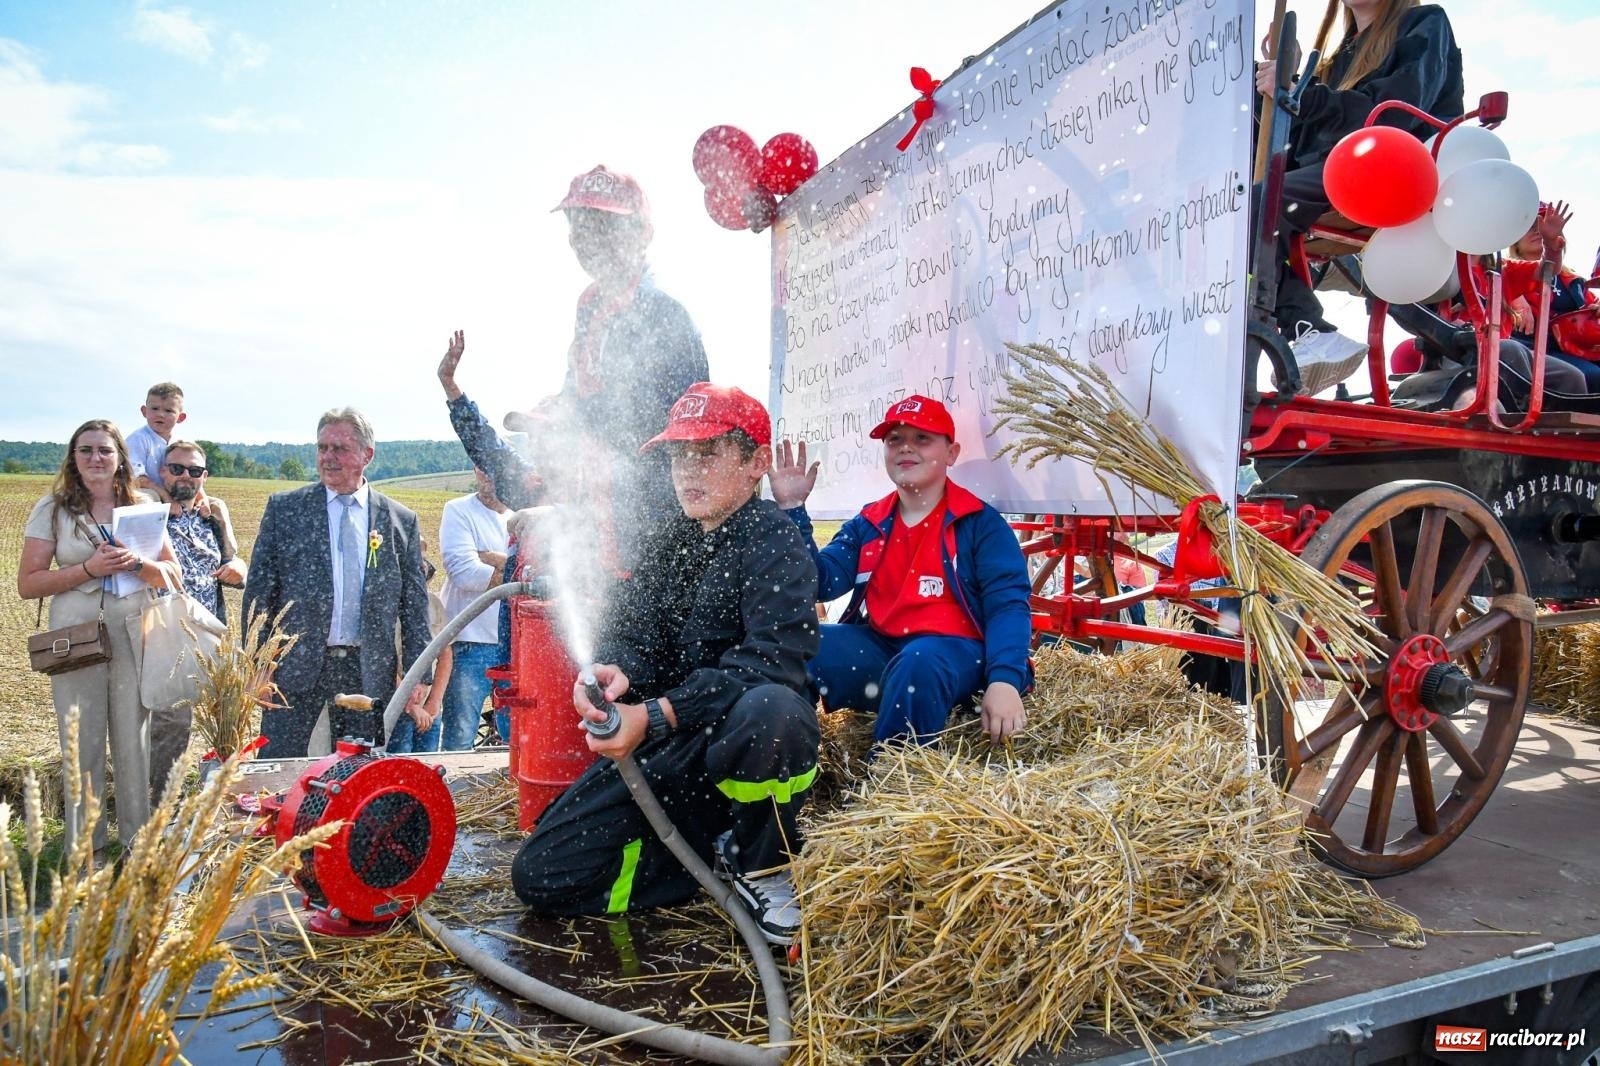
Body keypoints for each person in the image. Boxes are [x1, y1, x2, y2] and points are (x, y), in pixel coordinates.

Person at [511, 383, 820, 947]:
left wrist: (654, 714)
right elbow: (634, 629)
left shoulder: (775, 540)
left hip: (723, 739)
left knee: (776, 710)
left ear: (756, 463)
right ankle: (702, 861)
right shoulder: (670, 541)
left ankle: (766, 869)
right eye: (679, 455)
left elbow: (770, 665)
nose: (687, 471)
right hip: (666, 748)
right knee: (541, 876)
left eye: (708, 452)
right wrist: (616, 672)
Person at [438, 164, 709, 562]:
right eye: (577, 225)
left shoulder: (663, 316)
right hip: (606, 537)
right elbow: (571, 407)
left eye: (599, 224)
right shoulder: (590, 306)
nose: (583, 239)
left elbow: (677, 436)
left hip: (656, 539)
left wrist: (577, 429)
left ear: (640, 233)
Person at [771, 395, 1033, 746]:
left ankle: (891, 787)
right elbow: (820, 582)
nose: (906, 448)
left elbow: (1008, 607)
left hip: (958, 659)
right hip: (885, 652)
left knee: (920, 662)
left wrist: (1004, 681)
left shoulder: (980, 523)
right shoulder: (870, 522)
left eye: (922, 438)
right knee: (793, 638)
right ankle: (793, 759)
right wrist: (793, 511)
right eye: (895, 439)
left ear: (951, 453)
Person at [1254, 0, 1463, 395]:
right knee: (1242, 205)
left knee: (1261, 204)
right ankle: (1297, 330)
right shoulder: (1336, 59)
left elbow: (1395, 114)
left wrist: (1302, 92)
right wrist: (1286, 79)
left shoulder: (1424, 23)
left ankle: (1308, 328)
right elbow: (1303, 144)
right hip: (1339, 171)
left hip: (1391, 166)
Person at [17, 420, 182, 855]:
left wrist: (135, 565)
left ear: (120, 459)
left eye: (105, 451)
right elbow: (29, 583)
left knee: (133, 740)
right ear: (73, 457)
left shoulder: (143, 505)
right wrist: (88, 570)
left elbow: (172, 574)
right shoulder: (52, 509)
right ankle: (86, 850)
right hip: (74, 641)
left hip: (133, 635)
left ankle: (136, 845)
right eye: (85, 450)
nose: (95, 458)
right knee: (81, 742)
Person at [242, 408, 435, 759]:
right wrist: (257, 666)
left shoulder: (399, 520)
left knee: (358, 772)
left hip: (367, 669)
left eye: (340, 449)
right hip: (294, 666)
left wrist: (418, 674)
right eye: (322, 448)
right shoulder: (286, 510)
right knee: (280, 764)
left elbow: (413, 605)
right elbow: (259, 596)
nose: (328, 457)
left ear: (367, 455)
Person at [150, 440, 248, 799]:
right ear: (162, 471)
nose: (185, 477)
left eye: (194, 471)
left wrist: (238, 567)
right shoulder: (150, 512)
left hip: (212, 634)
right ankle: (161, 808)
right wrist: (154, 494)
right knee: (171, 723)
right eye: (176, 468)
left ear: (203, 476)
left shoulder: (213, 515)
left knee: (226, 720)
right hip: (165, 635)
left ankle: (218, 802)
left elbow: (234, 561)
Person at [433, 467, 511, 750]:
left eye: (495, 467)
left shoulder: (520, 517)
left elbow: (541, 571)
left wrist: (495, 560)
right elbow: (465, 573)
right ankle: (455, 792)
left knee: (514, 734)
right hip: (469, 641)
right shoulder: (459, 510)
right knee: (460, 733)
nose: (488, 474)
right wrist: (517, 569)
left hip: (514, 645)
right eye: (482, 468)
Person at [1502, 201, 1600, 393]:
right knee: (1591, 375)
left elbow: (1591, 306)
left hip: (1575, 349)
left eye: (1542, 225)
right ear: (1515, 240)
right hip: (1531, 349)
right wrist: (1511, 296)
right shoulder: (1505, 271)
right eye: (1530, 227)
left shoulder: (1573, 281)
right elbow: (1484, 292)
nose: (1537, 231)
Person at [381, 533, 453, 755]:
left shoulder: (433, 604)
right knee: (398, 766)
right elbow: (382, 659)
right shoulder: (383, 605)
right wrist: (409, 706)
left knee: (426, 767)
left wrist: (434, 702)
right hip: (394, 708)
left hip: (428, 710)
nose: (421, 563)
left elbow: (445, 654)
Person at [125, 382, 187, 502]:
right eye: (154, 408)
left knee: (217, 504)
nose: (160, 414)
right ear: (144, 411)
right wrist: (165, 495)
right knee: (147, 499)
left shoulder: (181, 442)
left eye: (168, 410)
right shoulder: (138, 439)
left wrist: (202, 497)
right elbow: (136, 478)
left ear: (181, 417)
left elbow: (192, 473)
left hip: (174, 492)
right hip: (146, 491)